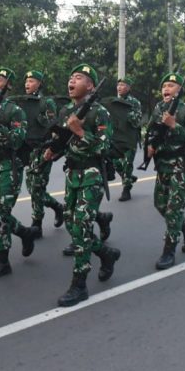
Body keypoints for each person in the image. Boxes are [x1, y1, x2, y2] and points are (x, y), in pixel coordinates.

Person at [45, 64, 121, 307]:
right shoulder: (66, 110)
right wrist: (52, 150)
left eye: (78, 77)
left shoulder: (100, 112)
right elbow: (61, 139)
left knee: (81, 225)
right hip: (72, 174)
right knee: (72, 224)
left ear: (90, 86)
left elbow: (104, 147)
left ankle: (79, 285)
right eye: (71, 77)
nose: (72, 80)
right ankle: (106, 254)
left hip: (92, 174)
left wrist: (80, 131)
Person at [0, 67, 39, 279]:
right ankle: (24, 232)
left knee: (1, 213)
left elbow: (16, 141)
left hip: (9, 166)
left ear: (8, 85)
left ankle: (2, 261)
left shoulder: (15, 111)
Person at [145, 72, 185, 270]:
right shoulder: (158, 109)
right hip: (162, 165)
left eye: (170, 85)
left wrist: (174, 125)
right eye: (164, 86)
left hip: (180, 165)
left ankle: (169, 250)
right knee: (160, 205)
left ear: (179, 90)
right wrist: (149, 146)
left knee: (173, 210)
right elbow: (151, 131)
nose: (166, 89)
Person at [21, 70, 65, 235]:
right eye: (26, 81)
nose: (27, 84)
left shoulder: (46, 103)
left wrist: (51, 149)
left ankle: (37, 223)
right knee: (31, 187)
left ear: (39, 84)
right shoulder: (23, 103)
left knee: (37, 187)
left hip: (43, 148)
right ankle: (57, 207)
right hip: (29, 150)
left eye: (31, 81)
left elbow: (52, 126)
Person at [113, 76, 142, 202]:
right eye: (118, 85)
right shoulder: (114, 101)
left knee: (127, 163)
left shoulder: (134, 102)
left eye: (123, 85)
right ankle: (128, 178)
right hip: (117, 137)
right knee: (115, 162)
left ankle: (126, 189)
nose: (119, 87)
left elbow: (137, 120)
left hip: (130, 137)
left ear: (129, 88)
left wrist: (124, 112)